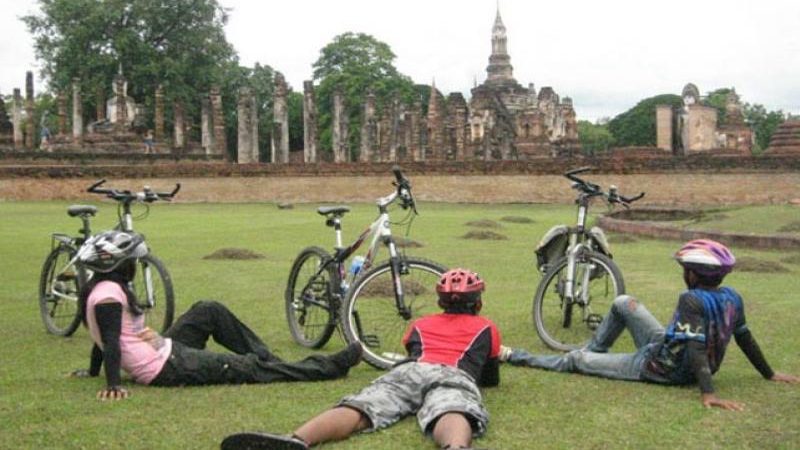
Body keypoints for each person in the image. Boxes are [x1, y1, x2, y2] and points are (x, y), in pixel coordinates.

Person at [501, 239, 799, 411]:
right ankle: (597, 355)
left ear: (693, 275)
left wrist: (709, 393)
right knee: (623, 302)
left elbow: (696, 350)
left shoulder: (691, 299)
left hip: (660, 367)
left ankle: (516, 355)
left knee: (575, 359)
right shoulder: (732, 297)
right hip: (665, 347)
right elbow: (745, 337)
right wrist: (769, 373)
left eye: (685, 270)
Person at [222, 268, 502, 450]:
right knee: (451, 408)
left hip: (411, 371)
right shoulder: (487, 328)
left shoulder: (420, 324)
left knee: (361, 408)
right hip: (452, 375)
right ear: (478, 303)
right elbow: (488, 377)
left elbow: (413, 352)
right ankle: (455, 447)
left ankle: (297, 439)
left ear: (440, 302)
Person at [71, 230, 362, 400]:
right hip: (166, 366)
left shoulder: (99, 288)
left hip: (160, 349)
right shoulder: (108, 297)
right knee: (247, 368)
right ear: (117, 264)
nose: (136, 264)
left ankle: (271, 359)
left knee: (208, 310)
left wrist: (93, 371)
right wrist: (113, 385)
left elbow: (102, 337)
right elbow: (109, 342)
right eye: (132, 260)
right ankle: (328, 367)